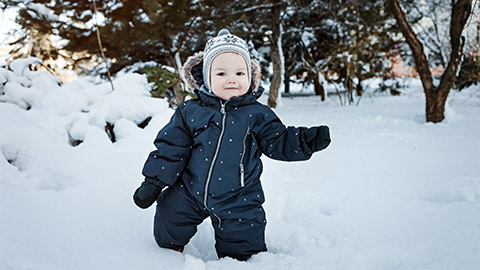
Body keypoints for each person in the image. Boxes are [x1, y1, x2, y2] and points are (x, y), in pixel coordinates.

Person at [133, 29, 331, 261]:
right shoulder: (190, 112)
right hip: (189, 189)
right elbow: (170, 148)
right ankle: (170, 253)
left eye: (239, 72)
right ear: (206, 78)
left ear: (250, 76)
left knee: (243, 248)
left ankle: (238, 262)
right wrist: (154, 182)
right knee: (168, 223)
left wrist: (303, 141)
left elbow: (277, 140)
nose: (232, 79)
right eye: (221, 73)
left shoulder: (257, 114)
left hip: (238, 196)